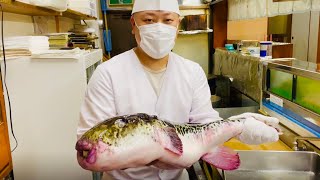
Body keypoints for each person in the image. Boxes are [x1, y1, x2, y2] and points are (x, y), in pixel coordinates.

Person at [77, 0, 280, 179]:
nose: (158, 27)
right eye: (148, 20)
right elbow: (90, 140)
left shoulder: (192, 71)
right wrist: (159, 154)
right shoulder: (108, 73)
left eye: (167, 20)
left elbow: (206, 126)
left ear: (177, 25)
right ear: (133, 24)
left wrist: (239, 128)